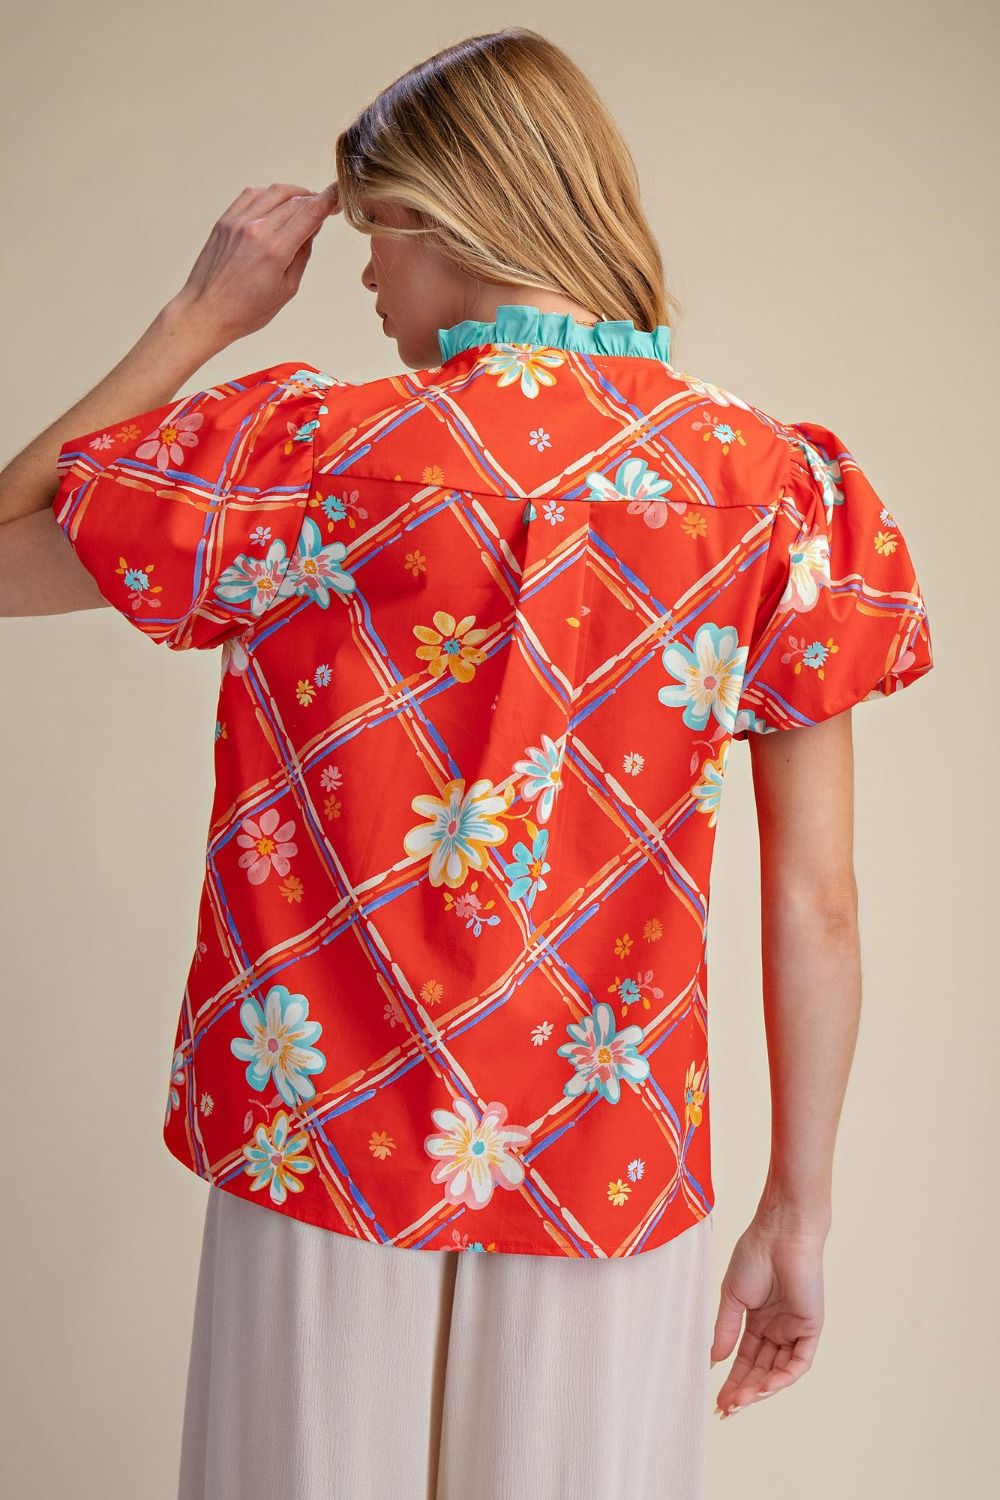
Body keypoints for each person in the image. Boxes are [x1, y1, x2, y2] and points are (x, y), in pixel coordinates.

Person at [1, 25, 934, 1500]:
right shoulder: (774, 493)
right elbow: (818, 901)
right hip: (606, 1155)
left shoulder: (308, 457)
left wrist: (198, 316)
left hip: (319, 1135)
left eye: (372, 234)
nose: (367, 278)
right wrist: (796, 1214)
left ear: (436, 215)